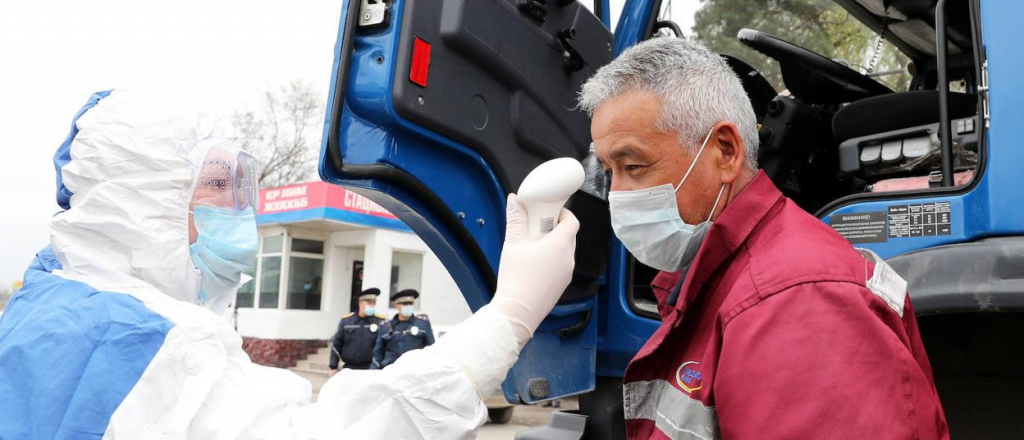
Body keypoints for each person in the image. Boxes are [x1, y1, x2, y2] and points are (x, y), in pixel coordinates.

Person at [0, 89, 580, 439]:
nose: (239, 213)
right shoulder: (137, 343)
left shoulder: (54, 312)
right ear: (142, 203)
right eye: (217, 188)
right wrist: (508, 317)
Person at [577, 38, 949, 439]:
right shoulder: (720, 280)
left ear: (725, 152)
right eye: (608, 171)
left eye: (633, 165)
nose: (617, 195)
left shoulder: (796, 302)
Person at [371, 289, 434, 369]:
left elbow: (431, 349)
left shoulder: (423, 324)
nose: (408, 306)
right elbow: (378, 353)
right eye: (404, 304)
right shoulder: (386, 326)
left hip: (415, 369)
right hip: (391, 370)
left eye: (410, 303)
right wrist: (374, 371)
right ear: (396, 305)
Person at [328, 288, 387, 375]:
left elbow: (385, 346)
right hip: (349, 368)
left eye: (373, 303)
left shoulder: (380, 322)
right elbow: (337, 344)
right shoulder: (347, 321)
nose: (372, 306)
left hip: (372, 368)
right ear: (360, 302)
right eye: (369, 303)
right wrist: (333, 366)